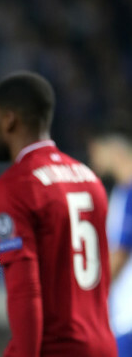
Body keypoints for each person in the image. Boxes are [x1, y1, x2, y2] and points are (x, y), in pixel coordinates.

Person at [0, 71, 117, 356]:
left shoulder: (14, 186)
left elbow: (25, 289)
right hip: (104, 344)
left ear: (9, 120)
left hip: (57, 347)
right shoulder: (89, 179)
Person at [88, 119, 132, 356]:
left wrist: (91, 297)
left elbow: (121, 252)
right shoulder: (121, 191)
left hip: (127, 316)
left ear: (112, 148)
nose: (93, 158)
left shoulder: (129, 193)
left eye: (95, 150)